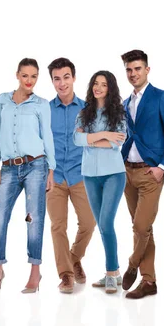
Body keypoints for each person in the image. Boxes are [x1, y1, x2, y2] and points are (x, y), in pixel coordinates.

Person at [0, 58, 55, 294]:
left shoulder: (41, 104)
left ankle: (35, 271)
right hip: (7, 167)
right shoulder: (3, 100)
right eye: (25, 75)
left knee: (33, 218)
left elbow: (47, 136)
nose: (29, 81)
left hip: (36, 165)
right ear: (17, 75)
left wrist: (51, 170)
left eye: (34, 76)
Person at [120, 50, 164, 299]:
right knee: (143, 230)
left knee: (140, 225)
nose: (133, 73)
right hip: (127, 172)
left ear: (147, 69)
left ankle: (132, 265)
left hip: (150, 173)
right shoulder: (125, 102)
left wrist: (162, 168)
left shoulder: (161, 97)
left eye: (137, 68)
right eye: (129, 69)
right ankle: (149, 281)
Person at [73, 70, 127, 294]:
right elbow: (76, 139)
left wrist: (90, 139)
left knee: (106, 223)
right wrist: (103, 135)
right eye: (96, 83)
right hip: (89, 175)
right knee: (102, 225)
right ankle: (113, 274)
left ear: (110, 88)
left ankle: (112, 273)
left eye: (103, 85)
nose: (98, 88)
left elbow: (117, 143)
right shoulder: (84, 113)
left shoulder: (119, 113)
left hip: (114, 173)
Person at [46, 57, 97, 294]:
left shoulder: (88, 109)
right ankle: (66, 274)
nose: (62, 83)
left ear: (74, 78)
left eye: (66, 77)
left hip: (80, 175)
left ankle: (74, 257)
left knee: (89, 221)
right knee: (58, 226)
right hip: (54, 177)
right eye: (57, 78)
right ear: (53, 81)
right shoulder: (45, 110)